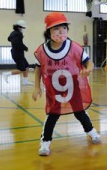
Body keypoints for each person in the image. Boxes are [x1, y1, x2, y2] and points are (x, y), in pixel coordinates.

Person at [32, 12, 101, 156]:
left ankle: (92, 132)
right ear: (48, 31)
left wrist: (88, 69)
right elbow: (38, 69)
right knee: (52, 114)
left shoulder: (73, 47)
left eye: (63, 28)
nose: (61, 32)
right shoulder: (42, 51)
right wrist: (37, 87)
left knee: (79, 111)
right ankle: (45, 142)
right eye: (56, 28)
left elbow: (89, 62)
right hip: (53, 87)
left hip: (72, 84)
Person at [3, 20, 33, 85]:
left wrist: (20, 37)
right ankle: (7, 74)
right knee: (21, 69)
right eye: (23, 28)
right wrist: (25, 48)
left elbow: (9, 38)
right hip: (17, 53)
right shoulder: (18, 33)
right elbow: (16, 43)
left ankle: (25, 81)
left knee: (26, 67)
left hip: (18, 53)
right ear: (19, 27)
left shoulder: (14, 33)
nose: (24, 29)